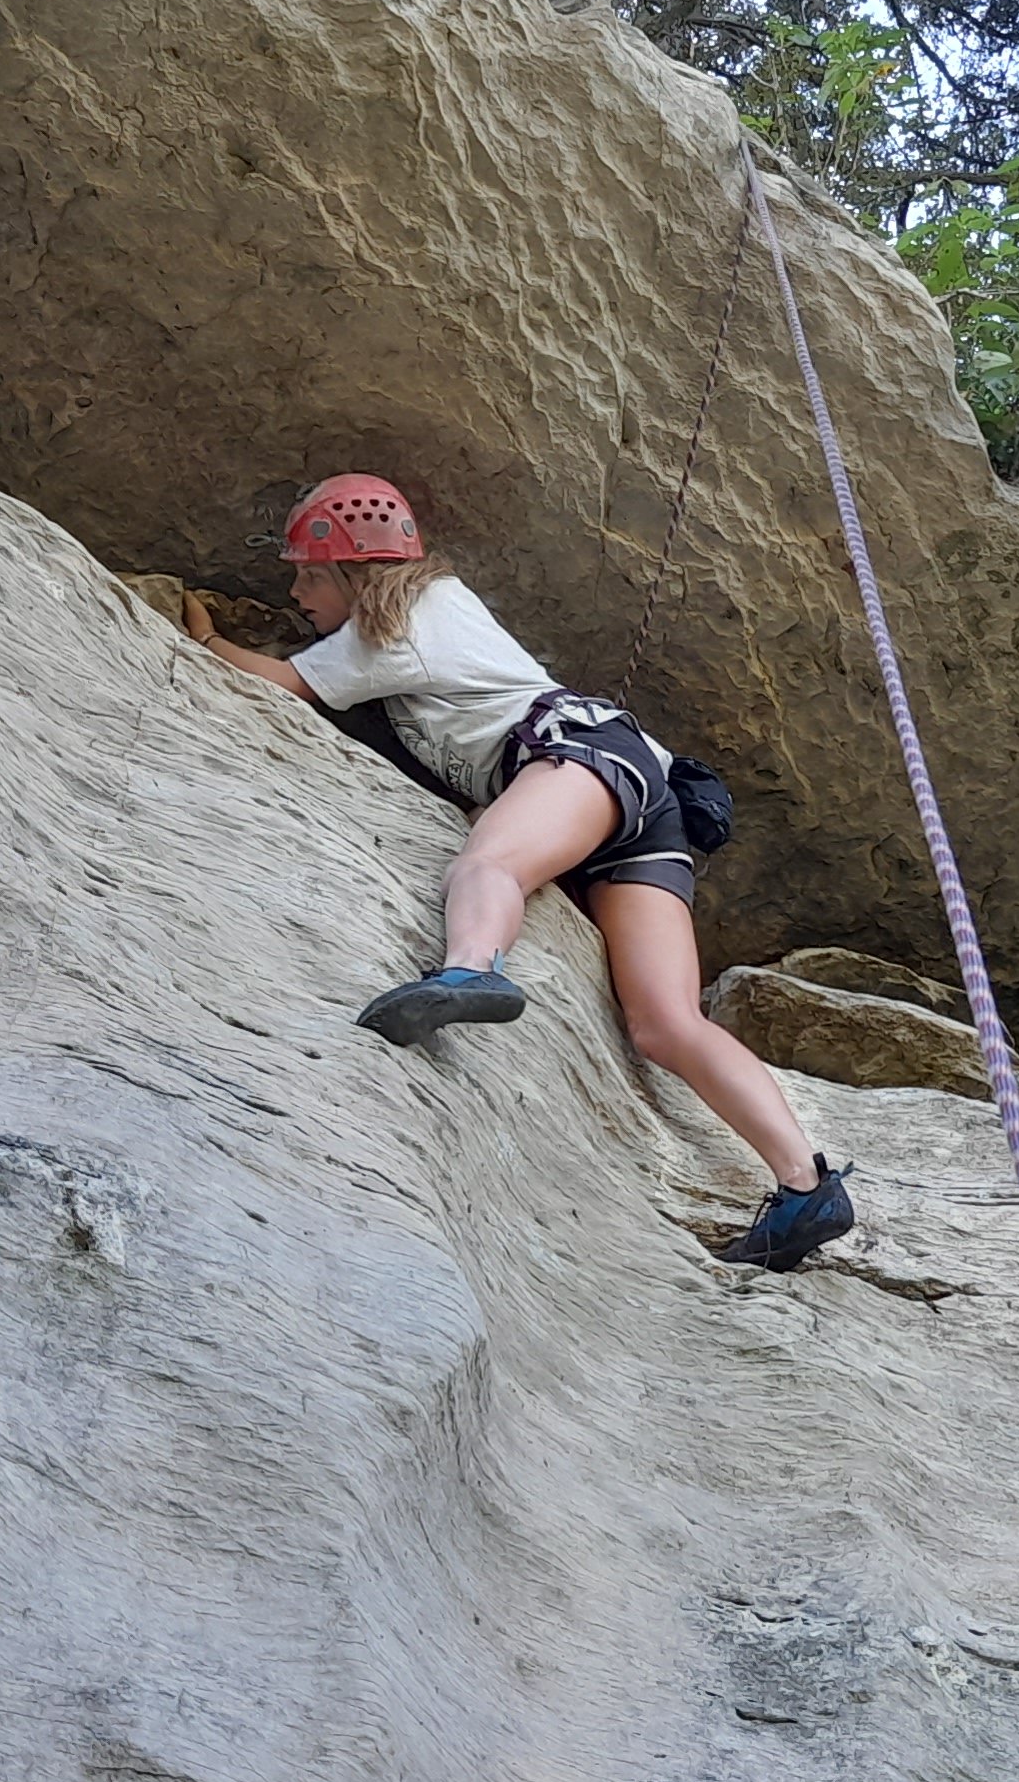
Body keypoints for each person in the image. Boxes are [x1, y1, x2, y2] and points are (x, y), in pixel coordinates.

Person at [184, 471, 858, 1273]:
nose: (297, 592)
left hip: (580, 757)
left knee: (489, 863)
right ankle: (804, 1185)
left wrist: (201, 640)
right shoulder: (436, 612)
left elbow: (285, 685)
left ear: (355, 574)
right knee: (666, 1024)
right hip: (640, 799)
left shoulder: (398, 620)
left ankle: (470, 971)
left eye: (309, 574)